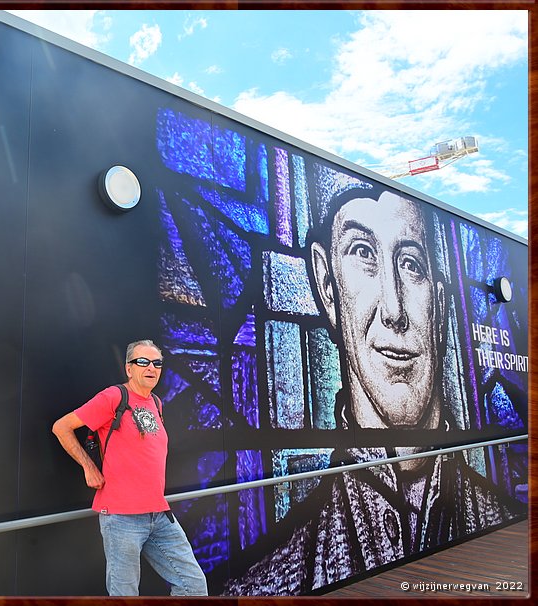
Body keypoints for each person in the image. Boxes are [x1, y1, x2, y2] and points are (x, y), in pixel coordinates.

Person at [223, 187, 525, 596]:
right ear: (328, 288)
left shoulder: (505, 519)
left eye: (410, 264)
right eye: (363, 253)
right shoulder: (270, 580)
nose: (394, 310)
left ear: (438, 306)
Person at [52, 339, 208, 597]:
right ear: (129, 368)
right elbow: (62, 427)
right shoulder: (113, 397)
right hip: (121, 517)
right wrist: (88, 467)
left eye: (157, 363)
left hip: (158, 515)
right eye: (143, 362)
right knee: (125, 595)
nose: (151, 368)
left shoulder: (156, 403)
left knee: (193, 585)